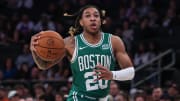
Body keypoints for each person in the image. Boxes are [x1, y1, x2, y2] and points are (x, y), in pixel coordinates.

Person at [30, 5, 135, 101]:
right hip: (78, 98)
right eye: (88, 16)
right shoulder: (70, 43)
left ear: (100, 20)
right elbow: (43, 65)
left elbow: (130, 72)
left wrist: (112, 74)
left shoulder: (114, 41)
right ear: (81, 22)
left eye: (96, 16)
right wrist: (34, 51)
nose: (92, 18)